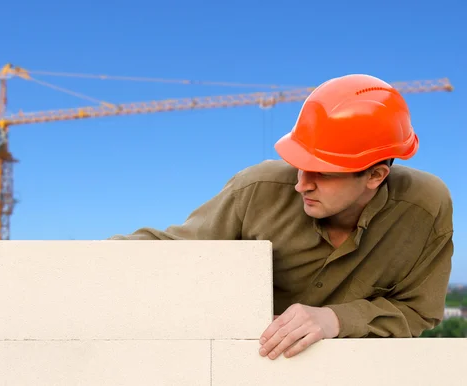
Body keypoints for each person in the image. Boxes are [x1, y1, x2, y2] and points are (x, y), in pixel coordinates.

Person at [109, 74, 454, 359]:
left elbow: (418, 311)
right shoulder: (257, 190)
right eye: (300, 165)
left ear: (375, 176)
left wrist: (335, 320)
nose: (301, 185)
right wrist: (75, 259)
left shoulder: (425, 210)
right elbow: (172, 248)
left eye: (322, 172)